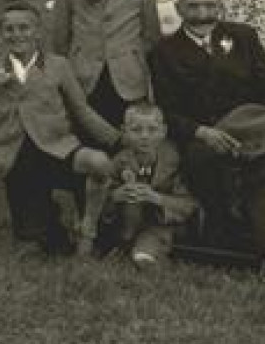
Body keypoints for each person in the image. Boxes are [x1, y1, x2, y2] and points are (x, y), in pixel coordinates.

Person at [148, 0, 265, 276]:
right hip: (204, 134)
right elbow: (167, 111)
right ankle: (225, 238)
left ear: (220, 4)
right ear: (177, 7)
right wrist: (201, 132)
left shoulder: (243, 37)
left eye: (210, 5)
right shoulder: (164, 51)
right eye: (193, 6)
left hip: (253, 131)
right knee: (203, 159)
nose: (202, 14)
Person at [0, 2, 118, 254]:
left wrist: (116, 139)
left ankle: (89, 228)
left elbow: (82, 111)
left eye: (24, 28)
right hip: (19, 156)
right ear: (1, 33)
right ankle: (47, 228)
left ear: (38, 31)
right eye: (9, 29)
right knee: (37, 247)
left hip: (59, 147)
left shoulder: (58, 66)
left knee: (99, 163)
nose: (17, 34)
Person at [49, 0, 160, 129]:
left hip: (128, 78)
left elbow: (151, 35)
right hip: (84, 76)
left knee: (128, 133)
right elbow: (60, 39)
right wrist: (78, 58)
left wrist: (130, 55)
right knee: (87, 132)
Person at [76, 103, 197, 267]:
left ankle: (145, 254)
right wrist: (115, 196)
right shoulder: (118, 162)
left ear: (163, 132)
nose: (144, 136)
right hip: (123, 226)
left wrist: (157, 198)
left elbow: (188, 205)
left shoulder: (173, 163)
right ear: (124, 131)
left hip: (158, 227)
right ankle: (122, 246)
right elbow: (96, 199)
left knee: (143, 257)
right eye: (136, 130)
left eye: (152, 130)